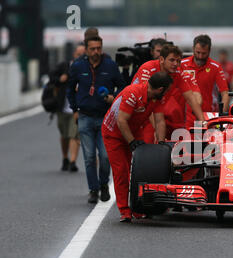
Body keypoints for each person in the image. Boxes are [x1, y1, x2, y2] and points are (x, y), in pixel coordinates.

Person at [102, 72, 172, 222]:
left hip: (133, 129)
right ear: (160, 89)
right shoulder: (133, 93)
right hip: (113, 133)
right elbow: (121, 121)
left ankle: (139, 207)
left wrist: (160, 144)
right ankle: (124, 210)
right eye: (166, 90)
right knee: (121, 171)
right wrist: (132, 142)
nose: (167, 93)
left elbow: (159, 122)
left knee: (141, 171)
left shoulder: (157, 97)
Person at [67, 35, 126, 204]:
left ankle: (104, 184)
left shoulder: (110, 65)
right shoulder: (78, 66)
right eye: (92, 49)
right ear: (86, 49)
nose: (96, 52)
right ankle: (93, 190)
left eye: (99, 48)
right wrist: (74, 109)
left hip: (105, 118)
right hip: (85, 116)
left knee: (106, 156)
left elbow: (122, 85)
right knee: (89, 157)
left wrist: (113, 97)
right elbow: (70, 89)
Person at [132, 44, 204, 141]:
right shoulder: (148, 68)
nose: (175, 64)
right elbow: (144, 102)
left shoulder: (177, 72)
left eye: (178, 61)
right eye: (172, 60)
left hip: (156, 111)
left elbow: (191, 99)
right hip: (136, 111)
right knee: (151, 141)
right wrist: (156, 130)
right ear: (161, 59)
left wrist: (204, 123)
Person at [49, 43, 85, 172]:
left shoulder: (87, 69)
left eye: (83, 54)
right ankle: (65, 158)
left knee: (74, 134)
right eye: (78, 54)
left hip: (78, 109)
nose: (80, 57)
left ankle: (72, 161)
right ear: (74, 54)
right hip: (62, 108)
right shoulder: (64, 66)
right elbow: (51, 77)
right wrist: (60, 79)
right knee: (64, 135)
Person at [182, 35, 229, 128]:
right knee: (188, 142)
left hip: (208, 116)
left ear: (209, 51)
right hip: (186, 116)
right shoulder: (182, 64)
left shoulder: (216, 67)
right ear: (193, 48)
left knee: (206, 142)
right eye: (198, 52)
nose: (200, 56)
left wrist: (221, 115)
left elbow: (225, 93)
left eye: (204, 53)